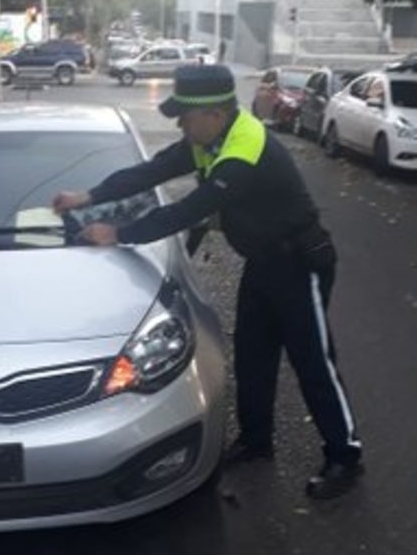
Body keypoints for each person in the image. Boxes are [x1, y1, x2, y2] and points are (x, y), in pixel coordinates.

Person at [53, 63, 363, 500]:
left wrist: (117, 233)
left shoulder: (243, 149)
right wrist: (87, 196)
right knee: (253, 353)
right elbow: (151, 171)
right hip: (262, 261)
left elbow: (188, 209)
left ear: (214, 115)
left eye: (185, 116)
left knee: (313, 359)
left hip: (298, 265)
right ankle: (257, 440)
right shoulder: (207, 139)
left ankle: (345, 454)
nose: (180, 124)